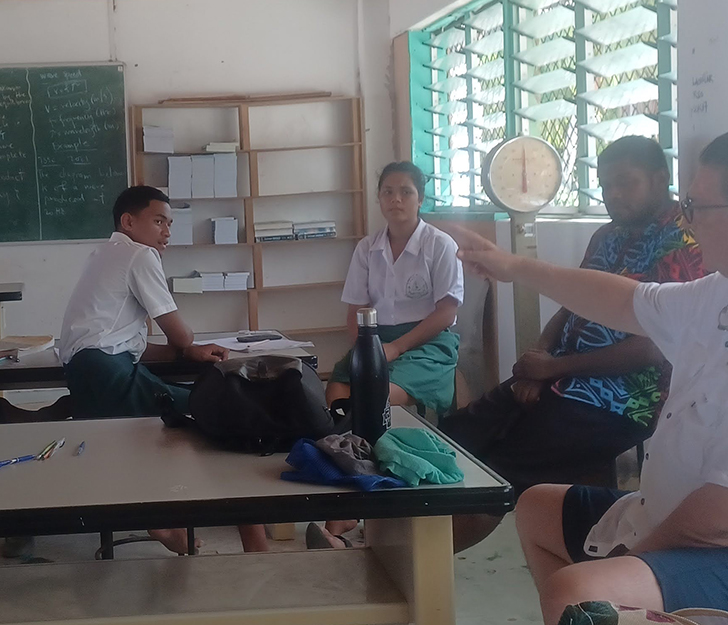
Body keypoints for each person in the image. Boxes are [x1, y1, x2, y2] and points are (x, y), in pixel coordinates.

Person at [452, 126, 728, 625]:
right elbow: (625, 300)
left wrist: (637, 557)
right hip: (689, 516)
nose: (687, 221)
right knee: (538, 508)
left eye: (697, 208)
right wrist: (512, 265)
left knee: (581, 592)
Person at [440, 136, 706, 551]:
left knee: (497, 473)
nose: (612, 195)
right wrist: (540, 358)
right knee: (457, 435)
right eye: (605, 184)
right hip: (558, 379)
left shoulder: (684, 245)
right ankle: (384, 541)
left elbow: (653, 347)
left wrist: (552, 371)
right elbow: (571, 303)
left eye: (625, 183)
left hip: (621, 401)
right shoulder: (606, 236)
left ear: (660, 179)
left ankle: (423, 571)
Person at [59, 185, 268, 555]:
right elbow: (180, 332)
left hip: (90, 372)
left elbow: (129, 345)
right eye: (158, 221)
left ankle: (162, 523)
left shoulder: (103, 253)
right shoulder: (140, 255)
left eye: (170, 224)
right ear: (128, 221)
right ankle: (254, 544)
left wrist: (183, 351)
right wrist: (189, 346)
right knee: (226, 414)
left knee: (150, 438)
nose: (167, 233)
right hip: (109, 375)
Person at [313, 161, 464, 548]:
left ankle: (347, 512)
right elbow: (355, 311)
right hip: (374, 339)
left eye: (405, 192)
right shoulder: (368, 247)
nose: (396, 199)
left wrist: (395, 348)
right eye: (387, 192)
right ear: (379, 198)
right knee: (338, 396)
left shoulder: (439, 244)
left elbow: (446, 311)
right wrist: (366, 349)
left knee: (372, 402)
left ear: (421, 199)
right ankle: (356, 500)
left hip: (427, 343)